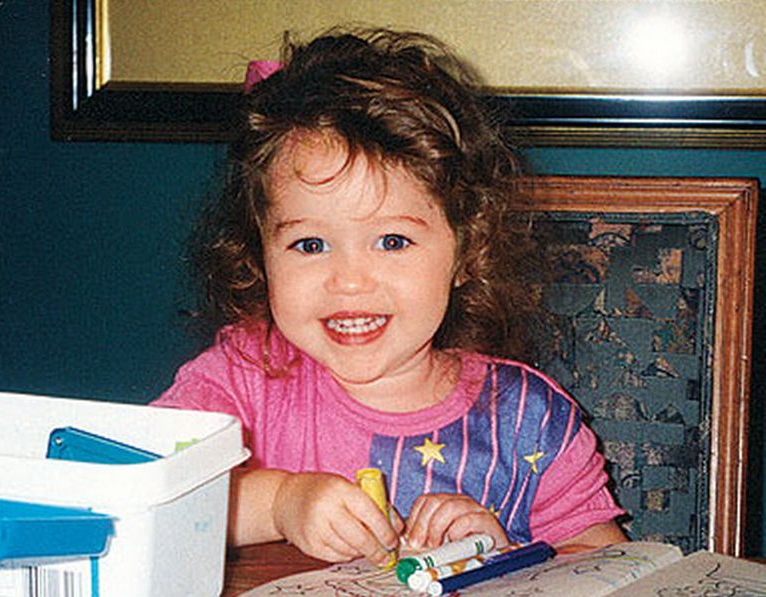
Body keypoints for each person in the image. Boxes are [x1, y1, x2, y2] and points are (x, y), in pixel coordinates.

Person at [151, 28, 626, 567]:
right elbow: (147, 501)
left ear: (467, 251)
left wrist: (505, 556)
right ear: (260, 255)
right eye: (311, 244)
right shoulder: (240, 381)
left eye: (393, 241)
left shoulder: (526, 420)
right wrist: (279, 503)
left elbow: (608, 566)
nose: (350, 281)